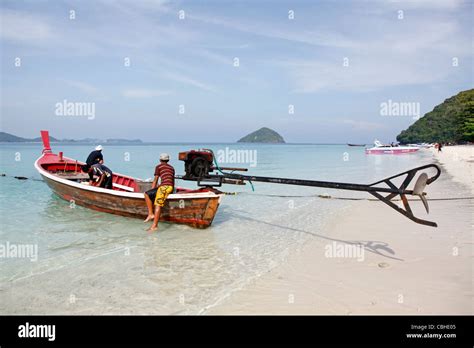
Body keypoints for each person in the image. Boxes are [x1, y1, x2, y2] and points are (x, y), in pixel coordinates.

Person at [144, 153, 175, 232]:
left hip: (164, 187)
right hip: (170, 187)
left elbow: (155, 180)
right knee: (148, 194)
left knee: (156, 203)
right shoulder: (172, 168)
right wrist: (172, 192)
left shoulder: (159, 167)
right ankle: (151, 215)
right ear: (168, 160)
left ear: (160, 160)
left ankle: (154, 224)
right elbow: (172, 181)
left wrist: (152, 191)